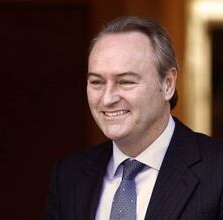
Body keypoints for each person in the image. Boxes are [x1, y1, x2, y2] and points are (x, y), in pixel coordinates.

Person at [46, 16, 223, 220]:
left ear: (167, 84)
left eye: (125, 82)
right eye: (97, 82)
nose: (108, 98)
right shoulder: (68, 176)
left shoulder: (216, 170)